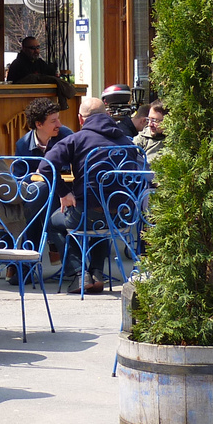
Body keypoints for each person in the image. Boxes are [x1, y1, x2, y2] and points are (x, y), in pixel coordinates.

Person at [42, 95, 139, 293]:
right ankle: (96, 273)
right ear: (107, 116)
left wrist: (64, 193)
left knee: (53, 222)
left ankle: (79, 273)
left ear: (80, 119)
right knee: (103, 214)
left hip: (87, 214)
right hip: (122, 217)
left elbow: (45, 166)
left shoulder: (76, 140)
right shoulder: (127, 141)